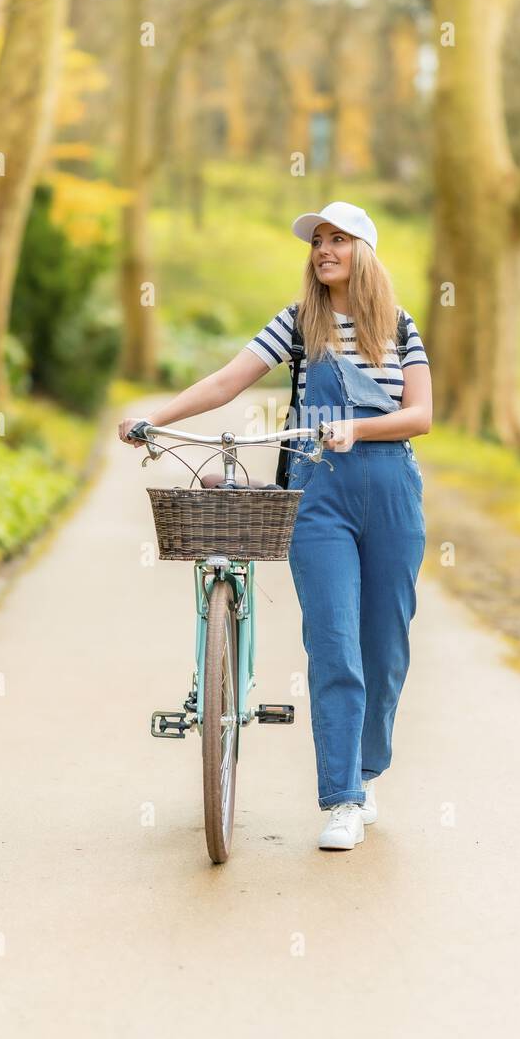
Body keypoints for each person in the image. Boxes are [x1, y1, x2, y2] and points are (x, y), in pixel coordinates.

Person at [119, 200, 432, 852]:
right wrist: (156, 416)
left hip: (392, 487)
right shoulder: (297, 325)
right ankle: (342, 795)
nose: (323, 250)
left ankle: (368, 771)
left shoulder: (400, 328)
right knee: (334, 641)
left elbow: (421, 415)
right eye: (317, 241)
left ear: (364, 253)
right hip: (318, 492)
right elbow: (229, 380)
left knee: (386, 645)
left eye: (337, 240)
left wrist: (360, 426)